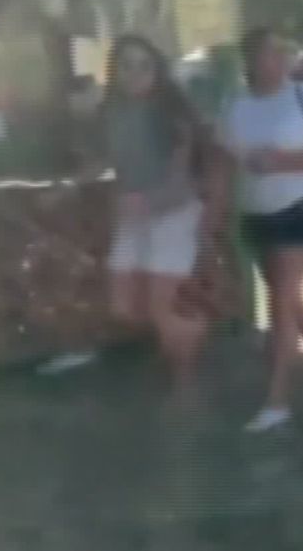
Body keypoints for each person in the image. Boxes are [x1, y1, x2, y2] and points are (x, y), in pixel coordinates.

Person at [219, 27, 303, 433]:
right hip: (256, 213)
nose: (281, 58)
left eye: (283, 51)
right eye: (271, 52)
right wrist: (218, 206)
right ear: (251, 60)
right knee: (285, 295)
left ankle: (277, 401)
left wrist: (281, 162)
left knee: (281, 303)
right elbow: (224, 158)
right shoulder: (235, 103)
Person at [99, 35, 214, 404]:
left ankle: (186, 382)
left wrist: (146, 202)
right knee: (122, 304)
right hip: (135, 215)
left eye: (144, 66)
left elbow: (181, 179)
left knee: (159, 306)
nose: (135, 74)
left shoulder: (173, 115)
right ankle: (186, 334)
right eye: (126, 65)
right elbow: (117, 166)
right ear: (114, 71)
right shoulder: (112, 112)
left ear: (157, 70)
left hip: (174, 214)